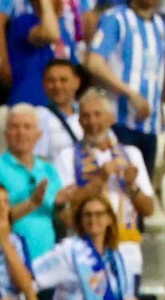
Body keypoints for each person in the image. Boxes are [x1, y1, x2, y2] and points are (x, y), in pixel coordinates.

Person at [32, 192, 140, 300]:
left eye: (99, 214)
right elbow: (31, 278)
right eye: (87, 215)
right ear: (80, 220)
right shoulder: (68, 251)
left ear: (109, 219)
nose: (93, 219)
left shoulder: (119, 258)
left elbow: (127, 298)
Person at [67, 89, 156, 277]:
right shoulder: (67, 156)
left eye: (97, 115)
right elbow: (68, 211)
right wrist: (100, 179)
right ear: (79, 121)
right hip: (85, 249)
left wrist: (132, 187)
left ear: (111, 118)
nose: (92, 122)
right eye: (86, 116)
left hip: (126, 250)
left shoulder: (132, 154)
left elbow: (148, 209)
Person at [84, 0, 165, 172]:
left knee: (143, 184)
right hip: (119, 121)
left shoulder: (162, 27)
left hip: (150, 126)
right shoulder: (115, 19)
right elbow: (94, 62)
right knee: (117, 180)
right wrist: (130, 94)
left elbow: (159, 72)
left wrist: (159, 107)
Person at [0, 104, 63, 261]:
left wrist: (63, 205)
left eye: (27, 127)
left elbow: (63, 219)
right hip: (6, 258)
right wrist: (31, 204)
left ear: (38, 135)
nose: (21, 132)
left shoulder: (49, 170)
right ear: (6, 134)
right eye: (14, 127)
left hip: (47, 258)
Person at [33, 59, 84, 177]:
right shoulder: (38, 116)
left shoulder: (88, 113)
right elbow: (37, 161)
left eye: (63, 80)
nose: (57, 86)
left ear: (77, 82)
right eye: (51, 81)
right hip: (56, 182)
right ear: (44, 84)